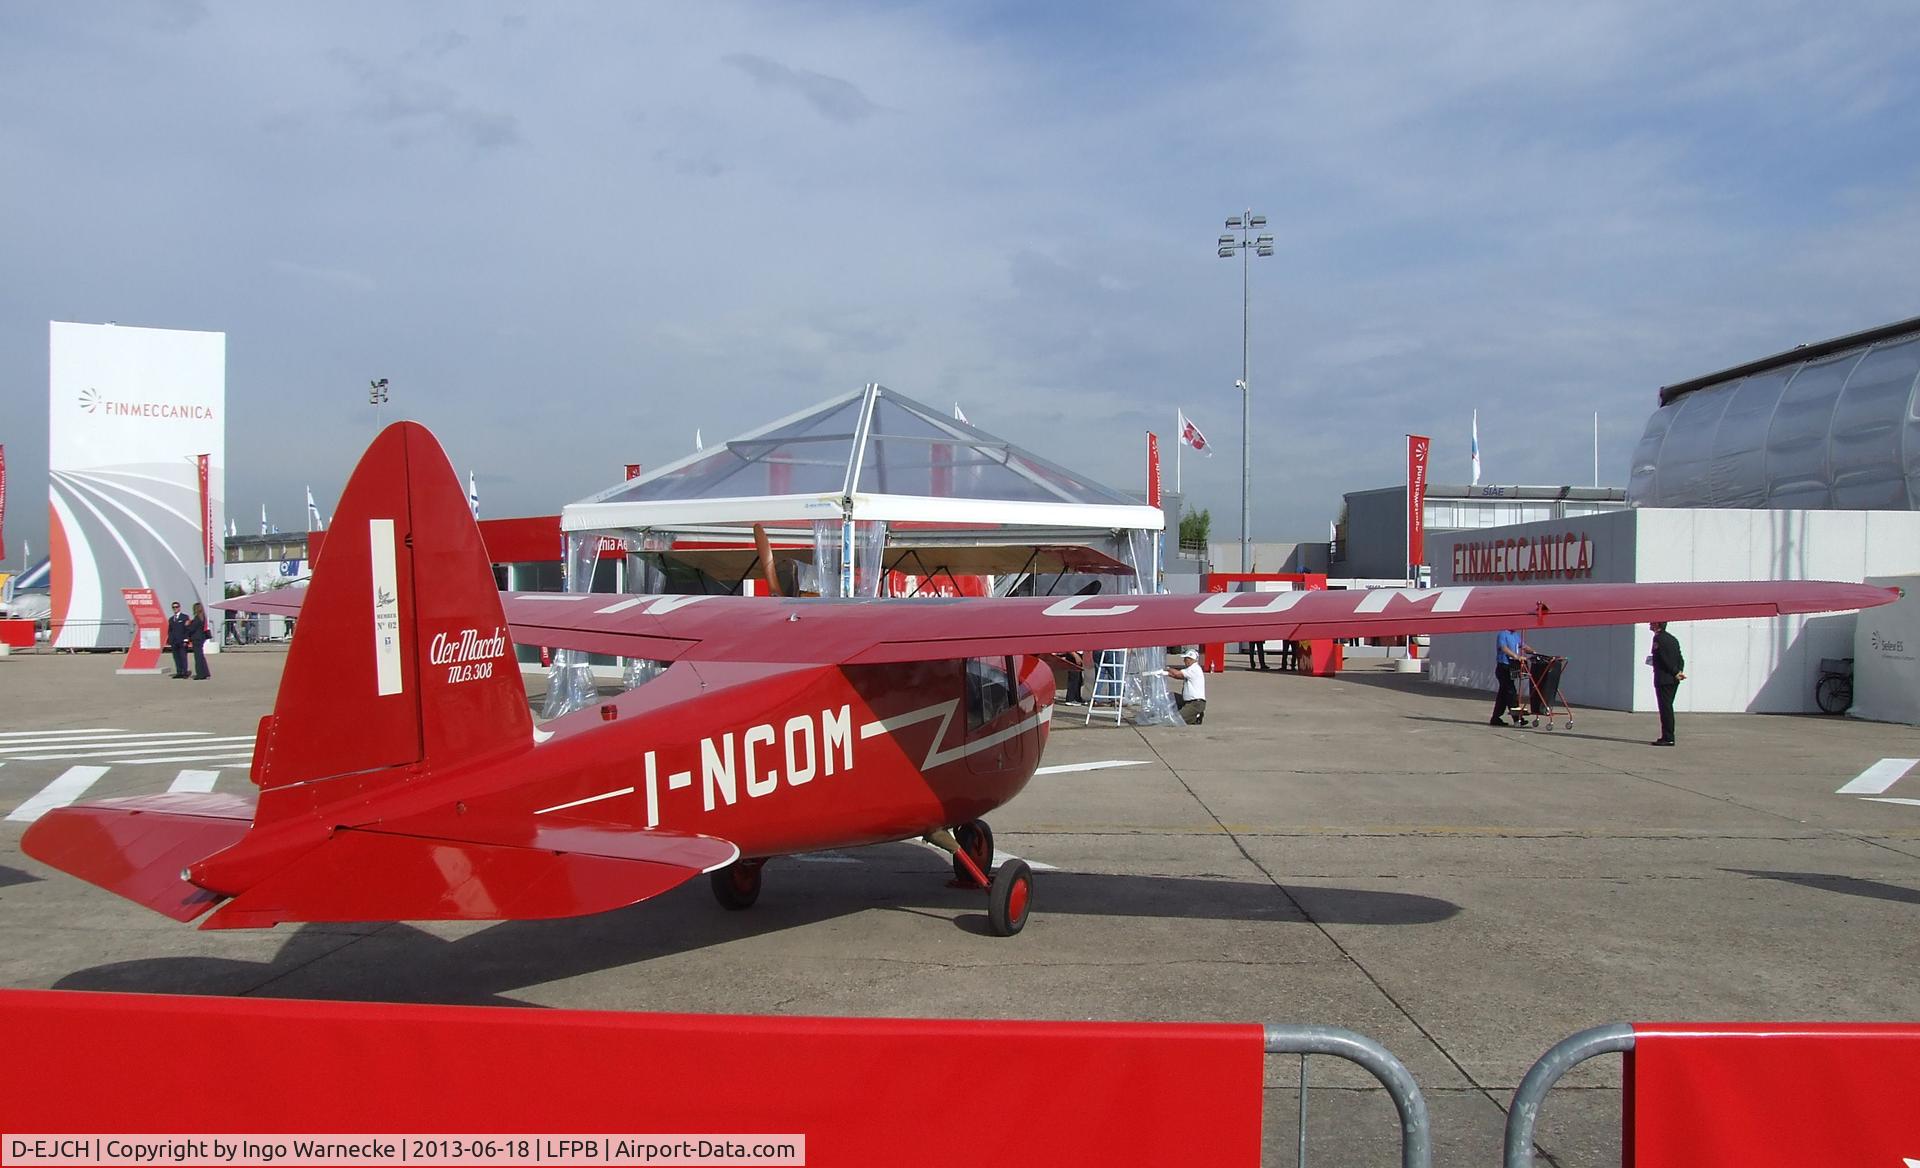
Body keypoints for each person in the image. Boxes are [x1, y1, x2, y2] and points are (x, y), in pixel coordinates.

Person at [1649, 621, 1686, 746]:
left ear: (1657, 625)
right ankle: (1668, 736)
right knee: (1668, 707)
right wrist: (1679, 671)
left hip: (1664, 679)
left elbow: (1664, 659)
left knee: (1665, 709)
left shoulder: (1658, 638)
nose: (1650, 624)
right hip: (1673, 679)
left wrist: (1674, 671)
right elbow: (1680, 658)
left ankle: (1668, 737)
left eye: (1652, 623)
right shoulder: (1673, 639)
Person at [1489, 628, 1532, 726]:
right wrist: (1516, 656)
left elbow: (1524, 646)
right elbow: (1504, 648)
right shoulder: (1503, 634)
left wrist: (1533, 652)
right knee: (1510, 692)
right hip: (1503, 667)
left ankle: (1496, 718)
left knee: (1503, 695)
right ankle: (1517, 718)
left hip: (1512, 667)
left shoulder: (1515, 635)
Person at [1164, 647, 1207, 725]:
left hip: (1195, 703)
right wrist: (1166, 674)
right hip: (1187, 701)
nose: (1184, 661)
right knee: (1171, 696)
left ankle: (1195, 717)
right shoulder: (1190, 669)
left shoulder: (1194, 669)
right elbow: (1179, 676)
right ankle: (1191, 716)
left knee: (1176, 720)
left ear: (1190, 659)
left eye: (1186, 659)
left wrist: (1167, 668)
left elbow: (1177, 673)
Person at [166, 601, 191, 679]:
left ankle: (185, 672)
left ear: (179, 608)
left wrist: (186, 640)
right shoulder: (171, 619)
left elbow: (187, 629)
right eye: (173, 607)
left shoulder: (184, 617)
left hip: (182, 641)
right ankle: (179, 672)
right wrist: (170, 640)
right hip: (174, 641)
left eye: (176, 607)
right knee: (176, 657)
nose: (175, 608)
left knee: (183, 657)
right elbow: (170, 630)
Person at [188, 602, 213, 680]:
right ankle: (205, 672)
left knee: (198, 657)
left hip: (196, 639)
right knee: (201, 657)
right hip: (201, 638)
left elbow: (192, 629)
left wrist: (188, 624)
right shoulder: (202, 618)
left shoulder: (197, 619)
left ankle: (200, 674)